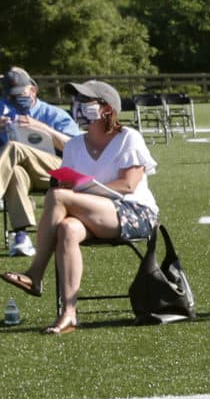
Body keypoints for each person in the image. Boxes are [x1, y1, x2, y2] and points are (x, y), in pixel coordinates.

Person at [2, 81, 159, 335]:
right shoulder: (75, 146)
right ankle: (69, 314)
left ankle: (35, 273)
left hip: (134, 212)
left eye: (85, 102)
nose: (78, 107)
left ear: (107, 109)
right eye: (77, 101)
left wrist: (85, 189)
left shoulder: (128, 137)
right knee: (66, 228)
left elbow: (129, 185)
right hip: (92, 214)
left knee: (59, 196)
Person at [0, 67, 85, 257]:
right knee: (15, 172)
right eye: (9, 96)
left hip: (58, 171)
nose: (13, 100)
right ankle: (21, 237)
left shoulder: (54, 114)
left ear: (32, 91)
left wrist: (44, 129)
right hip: (25, 172)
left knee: (15, 148)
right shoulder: (3, 110)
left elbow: (77, 148)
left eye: (18, 95)